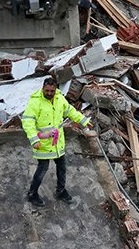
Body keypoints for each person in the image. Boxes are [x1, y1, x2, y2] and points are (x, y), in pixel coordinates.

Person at [21, 77, 92, 206]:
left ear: (56, 89)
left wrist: (84, 121)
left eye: (52, 91)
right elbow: (27, 122)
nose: (49, 93)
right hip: (43, 144)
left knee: (62, 167)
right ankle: (32, 194)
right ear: (43, 88)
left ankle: (61, 191)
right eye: (46, 90)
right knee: (43, 169)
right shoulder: (35, 102)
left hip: (57, 142)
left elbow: (70, 111)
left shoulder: (59, 99)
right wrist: (34, 139)